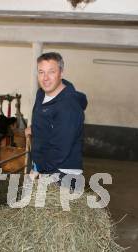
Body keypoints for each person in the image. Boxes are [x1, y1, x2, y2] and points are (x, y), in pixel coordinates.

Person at [25, 52, 87, 183]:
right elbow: (48, 121)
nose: (45, 78)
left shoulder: (68, 106)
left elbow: (60, 148)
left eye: (51, 72)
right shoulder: (41, 93)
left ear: (61, 73)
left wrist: (39, 169)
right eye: (41, 72)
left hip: (62, 172)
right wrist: (35, 128)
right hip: (45, 165)